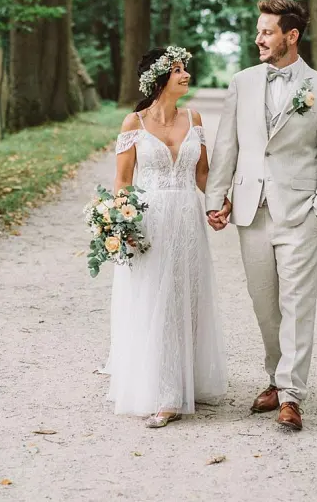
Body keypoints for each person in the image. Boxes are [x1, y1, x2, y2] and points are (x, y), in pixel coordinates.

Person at [205, 0, 317, 431]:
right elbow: (228, 145)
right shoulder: (242, 82)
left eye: (267, 32)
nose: (258, 38)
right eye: (258, 31)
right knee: (265, 305)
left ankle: (291, 395)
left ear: (292, 35)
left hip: (300, 213)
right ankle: (274, 376)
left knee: (298, 304)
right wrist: (217, 197)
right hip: (252, 211)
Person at [104, 46, 228, 428]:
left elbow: (203, 174)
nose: (185, 74)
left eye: (185, 68)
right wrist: (120, 226)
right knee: (155, 300)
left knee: (185, 298)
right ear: (158, 79)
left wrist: (218, 205)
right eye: (176, 69)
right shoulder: (134, 124)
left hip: (187, 222)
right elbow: (123, 181)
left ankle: (183, 381)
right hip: (150, 222)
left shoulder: (195, 118)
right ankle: (163, 392)